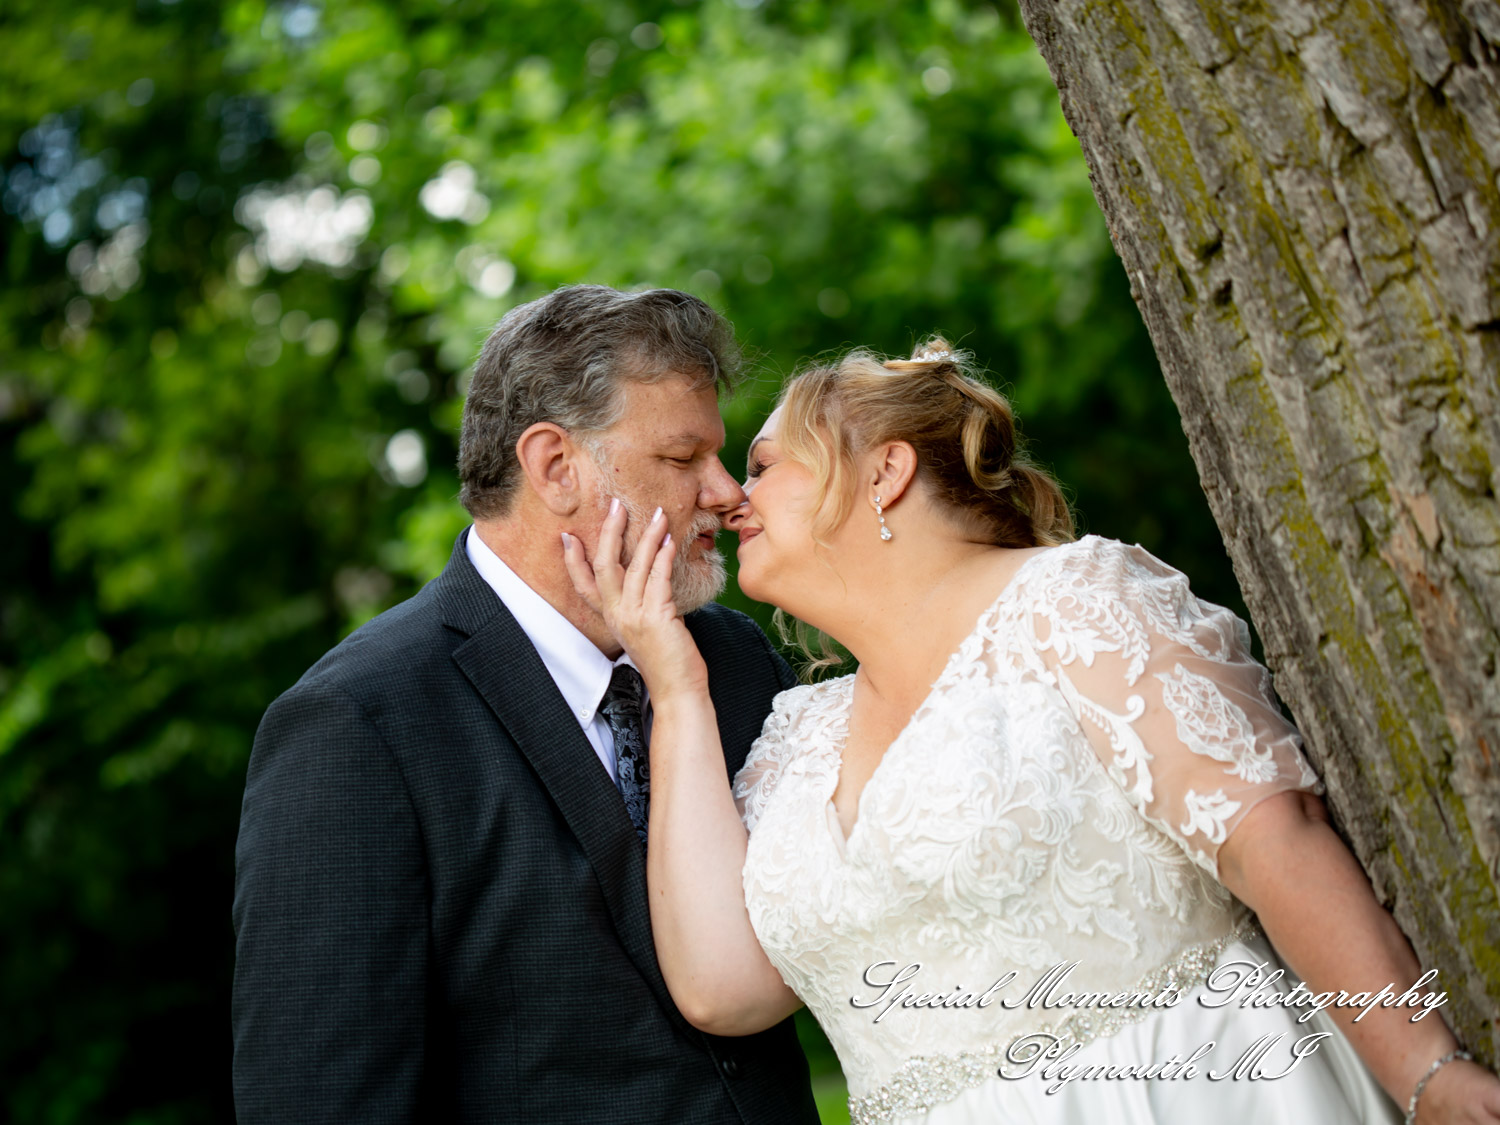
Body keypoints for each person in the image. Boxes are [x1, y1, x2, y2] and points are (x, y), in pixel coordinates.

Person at [563, 339, 1500, 1125]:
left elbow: (1272, 838)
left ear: (884, 472)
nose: (730, 497)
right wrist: (675, 686)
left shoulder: (1078, 602)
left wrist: (1422, 1070)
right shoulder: (797, 734)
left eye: (763, 466)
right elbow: (724, 988)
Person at [231, 285, 819, 1124]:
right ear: (555, 467)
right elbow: (321, 1098)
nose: (726, 492)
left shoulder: (734, 659)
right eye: (684, 458)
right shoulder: (357, 725)